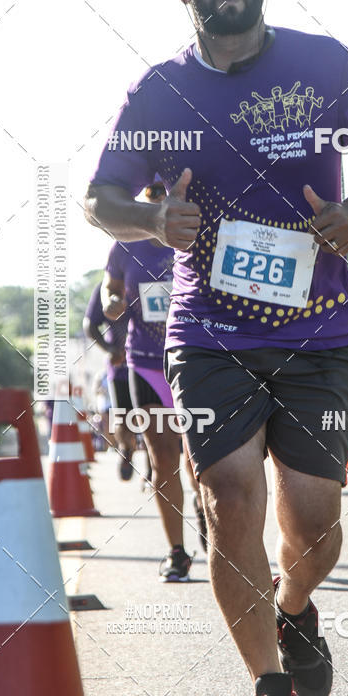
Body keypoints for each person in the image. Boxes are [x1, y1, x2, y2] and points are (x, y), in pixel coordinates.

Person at [85, 0, 348, 696]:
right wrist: (155, 224)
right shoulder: (158, 91)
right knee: (230, 501)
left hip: (321, 328)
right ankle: (270, 686)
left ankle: (295, 607)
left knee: (313, 518)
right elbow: (100, 198)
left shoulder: (322, 63)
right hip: (208, 332)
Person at [101, 182, 207, 580]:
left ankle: (206, 510)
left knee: (201, 461)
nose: (156, 191)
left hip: (198, 358)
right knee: (164, 461)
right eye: (150, 187)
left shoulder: (200, 225)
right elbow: (109, 288)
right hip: (146, 362)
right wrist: (112, 301)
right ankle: (177, 552)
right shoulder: (126, 240)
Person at [83, 282, 136, 473]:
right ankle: (126, 448)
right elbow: (90, 324)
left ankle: (152, 468)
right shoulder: (105, 288)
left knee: (153, 416)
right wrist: (109, 349)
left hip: (150, 362)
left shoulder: (156, 274)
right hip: (120, 366)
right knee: (123, 418)